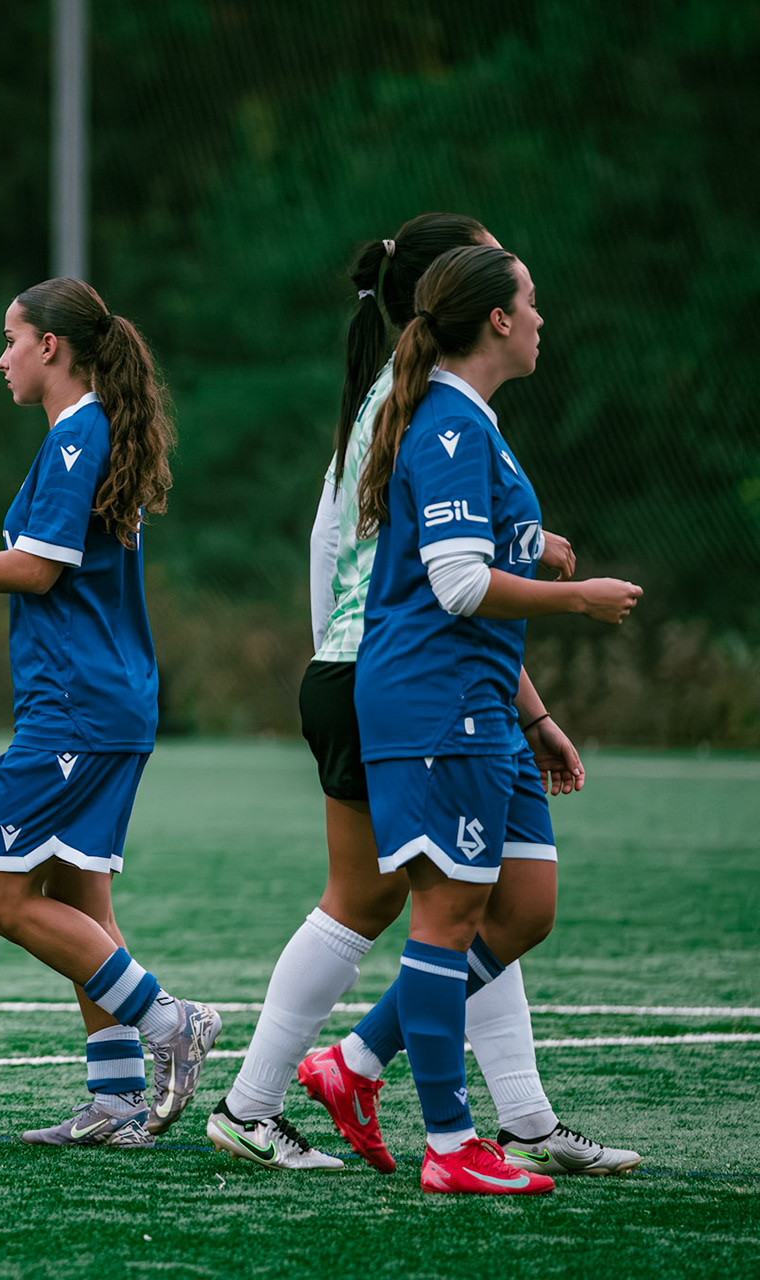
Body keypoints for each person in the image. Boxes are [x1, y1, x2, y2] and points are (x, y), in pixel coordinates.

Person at [206, 216, 643, 1179]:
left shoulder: (425, 401)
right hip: (395, 674)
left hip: (418, 671)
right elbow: (418, 570)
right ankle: (261, 1102)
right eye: (501, 273)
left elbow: (402, 549)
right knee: (388, 903)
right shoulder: (417, 407)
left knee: (480, 898)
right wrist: (353, 660)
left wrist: (530, 692)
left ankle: (513, 1115)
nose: (536, 310)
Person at [0, 279, 219, 1148]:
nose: (2, 359)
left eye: (11, 340)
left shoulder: (77, 436)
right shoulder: (90, 431)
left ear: (51, 347)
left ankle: (172, 1021)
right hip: (105, 700)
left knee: (2, 897)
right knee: (79, 901)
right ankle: (118, 1098)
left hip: (74, 707)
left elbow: (39, 568)